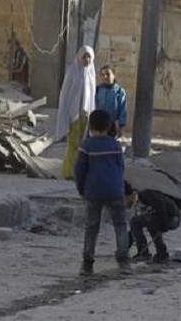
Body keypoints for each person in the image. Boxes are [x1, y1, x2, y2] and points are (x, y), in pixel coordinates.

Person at [75, 109, 130, 276]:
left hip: (93, 192)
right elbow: (121, 168)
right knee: (120, 226)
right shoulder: (115, 146)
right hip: (115, 191)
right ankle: (124, 262)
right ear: (109, 126)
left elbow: (79, 170)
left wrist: (82, 189)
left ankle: (87, 263)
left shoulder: (87, 146)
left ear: (90, 126)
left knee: (92, 227)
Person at [58, 46, 97, 180]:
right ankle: (69, 172)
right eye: (84, 56)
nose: (86, 59)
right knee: (73, 144)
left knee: (84, 144)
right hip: (73, 114)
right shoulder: (73, 72)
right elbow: (66, 94)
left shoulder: (91, 74)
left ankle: (81, 171)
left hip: (85, 114)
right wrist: (66, 113)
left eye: (89, 57)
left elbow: (91, 96)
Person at [126, 181, 181, 264]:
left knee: (136, 221)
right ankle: (162, 253)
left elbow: (161, 204)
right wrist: (124, 249)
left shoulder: (144, 195)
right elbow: (133, 231)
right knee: (150, 225)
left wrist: (164, 224)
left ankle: (143, 253)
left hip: (171, 217)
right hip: (169, 218)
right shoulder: (138, 207)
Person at [96, 65, 128, 138]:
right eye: (102, 75)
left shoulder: (120, 92)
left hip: (112, 125)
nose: (105, 77)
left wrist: (121, 126)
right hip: (99, 124)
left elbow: (123, 110)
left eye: (108, 74)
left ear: (114, 75)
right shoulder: (97, 90)